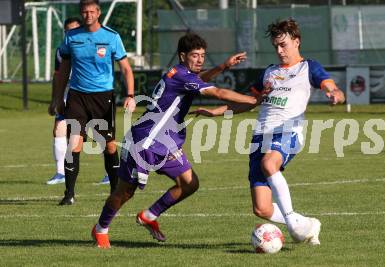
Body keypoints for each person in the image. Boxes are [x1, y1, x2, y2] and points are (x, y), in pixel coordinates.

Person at [91, 32, 257, 249]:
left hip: (166, 142)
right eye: (195, 55)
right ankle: (101, 229)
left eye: (202, 55)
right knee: (125, 192)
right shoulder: (181, 76)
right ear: (182, 56)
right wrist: (254, 100)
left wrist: (223, 66)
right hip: (145, 142)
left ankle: (149, 215)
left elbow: (200, 80)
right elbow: (217, 92)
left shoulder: (183, 74)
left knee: (190, 183)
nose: (199, 59)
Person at [191, 18, 345, 246]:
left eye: (284, 45)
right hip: (260, 138)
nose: (280, 50)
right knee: (261, 209)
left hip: (288, 132)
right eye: (276, 46)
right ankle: (308, 225)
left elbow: (331, 86)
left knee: (268, 164)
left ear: (297, 41)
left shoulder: (308, 67)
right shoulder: (269, 73)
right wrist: (216, 112)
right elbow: (250, 102)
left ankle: (292, 222)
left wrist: (335, 95)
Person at [53, 0, 136, 205]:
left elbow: (126, 68)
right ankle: (69, 194)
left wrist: (130, 94)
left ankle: (115, 191)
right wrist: (57, 99)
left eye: (91, 11)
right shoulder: (71, 37)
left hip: (103, 98)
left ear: (98, 12)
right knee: (75, 143)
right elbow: (63, 70)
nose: (88, 15)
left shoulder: (111, 36)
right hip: (77, 97)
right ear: (81, 13)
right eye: (84, 12)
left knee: (108, 146)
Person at [47, 17, 110, 186]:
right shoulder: (62, 50)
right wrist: (55, 99)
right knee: (59, 129)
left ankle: (109, 173)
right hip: (70, 94)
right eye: (67, 30)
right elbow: (58, 75)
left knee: (100, 131)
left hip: (93, 94)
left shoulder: (93, 45)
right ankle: (60, 173)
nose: (70, 33)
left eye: (73, 29)